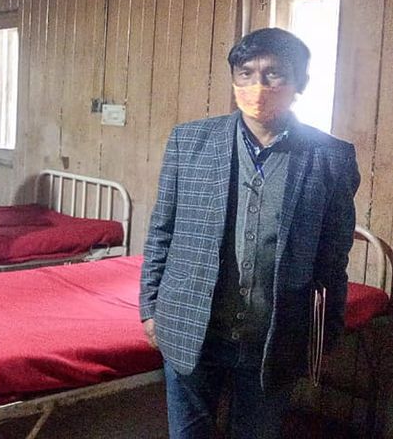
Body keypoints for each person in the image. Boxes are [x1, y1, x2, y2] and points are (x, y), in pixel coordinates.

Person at [140, 28, 360, 438]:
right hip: (191, 327)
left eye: (274, 74)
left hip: (274, 338)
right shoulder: (190, 141)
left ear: (299, 83)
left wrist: (326, 334)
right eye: (246, 73)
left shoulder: (331, 157)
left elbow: (333, 258)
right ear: (234, 79)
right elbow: (161, 230)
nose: (258, 86)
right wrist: (149, 308)